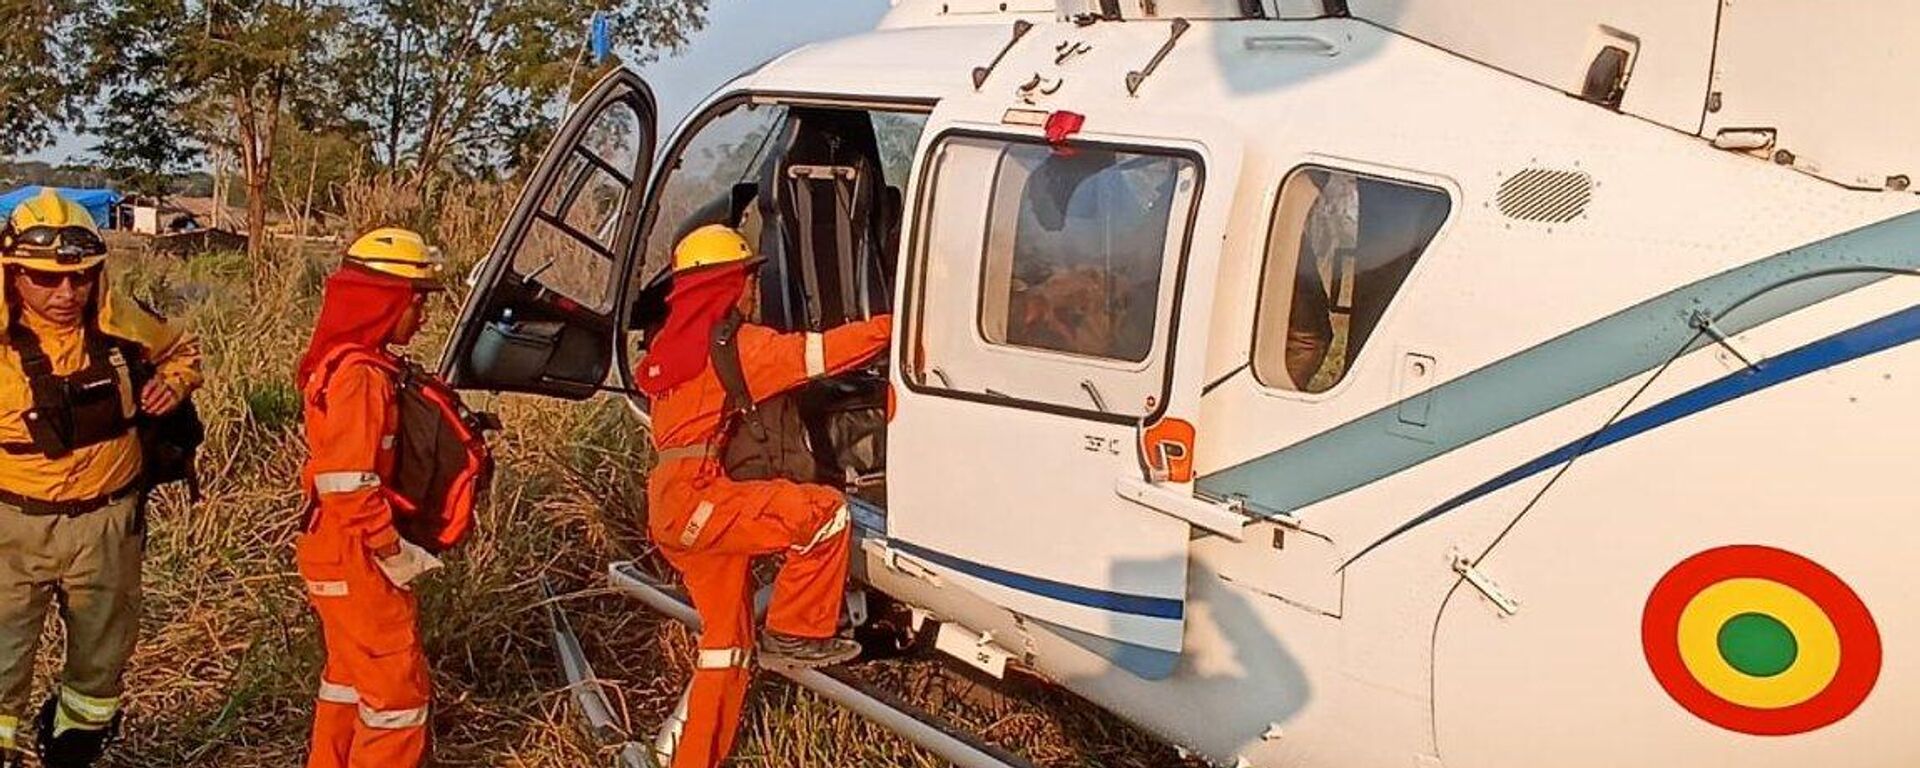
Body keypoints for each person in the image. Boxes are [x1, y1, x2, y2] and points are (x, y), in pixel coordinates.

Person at [638, 224, 890, 768]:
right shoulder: (736, 346)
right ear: (727, 286)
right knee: (823, 515)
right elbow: (822, 354)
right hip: (699, 502)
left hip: (673, 503)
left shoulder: (673, 347)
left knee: (727, 650)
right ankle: (797, 633)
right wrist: (901, 324)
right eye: (749, 280)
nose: (754, 292)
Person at [0, 189, 203, 767]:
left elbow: (183, 351)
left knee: (99, 670)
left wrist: (176, 382)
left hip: (109, 527)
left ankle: (72, 751)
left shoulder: (120, 320)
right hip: (13, 528)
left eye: (82, 278)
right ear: (13, 274)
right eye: (46, 280)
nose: (66, 294)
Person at [293, 228, 448, 768]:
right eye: (417, 299)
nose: (423, 313)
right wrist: (392, 552)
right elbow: (347, 482)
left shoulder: (344, 362)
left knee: (348, 680)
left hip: (331, 545)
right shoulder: (361, 375)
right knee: (397, 697)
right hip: (355, 551)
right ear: (386, 300)